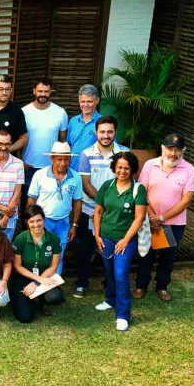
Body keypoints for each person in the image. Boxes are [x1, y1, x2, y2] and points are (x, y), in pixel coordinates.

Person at [135, 134, 194, 301]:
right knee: (145, 254)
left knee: (167, 257)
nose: (173, 154)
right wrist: (152, 216)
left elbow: (186, 201)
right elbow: (141, 192)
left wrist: (161, 218)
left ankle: (162, 287)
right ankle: (141, 286)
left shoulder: (189, 170)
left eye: (177, 150)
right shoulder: (150, 165)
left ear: (182, 151)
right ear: (163, 148)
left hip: (174, 223)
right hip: (149, 219)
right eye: (170, 149)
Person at [93, 152, 148, 331]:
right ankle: (111, 299)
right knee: (109, 270)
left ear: (132, 169)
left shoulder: (137, 189)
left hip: (126, 239)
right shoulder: (107, 186)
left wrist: (125, 240)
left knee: (121, 274)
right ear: (114, 168)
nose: (123, 171)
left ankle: (123, 314)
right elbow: (99, 212)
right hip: (105, 238)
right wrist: (97, 235)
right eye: (119, 167)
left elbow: (139, 218)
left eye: (126, 168)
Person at [75, 116, 127, 298]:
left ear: (115, 132)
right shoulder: (86, 154)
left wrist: (111, 207)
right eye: (102, 131)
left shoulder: (125, 154)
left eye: (110, 132)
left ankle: (109, 284)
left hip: (116, 214)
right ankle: (81, 283)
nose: (106, 135)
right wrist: (103, 204)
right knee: (85, 249)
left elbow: (127, 181)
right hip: (90, 211)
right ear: (96, 132)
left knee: (111, 250)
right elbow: (86, 184)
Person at [26, 142, 83, 275]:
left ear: (70, 159)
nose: (63, 163)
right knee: (39, 254)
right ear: (52, 159)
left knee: (58, 255)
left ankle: (53, 286)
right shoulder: (40, 175)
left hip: (63, 223)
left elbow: (77, 202)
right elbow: (31, 200)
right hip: (43, 222)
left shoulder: (76, 177)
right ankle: (38, 284)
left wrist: (74, 225)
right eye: (59, 159)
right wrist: (33, 221)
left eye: (66, 159)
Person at [10, 205, 65, 322]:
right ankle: (24, 299)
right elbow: (17, 266)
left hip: (44, 276)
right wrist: (36, 280)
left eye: (39, 220)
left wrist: (37, 282)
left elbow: (53, 266)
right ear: (27, 223)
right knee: (25, 317)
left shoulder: (54, 239)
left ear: (44, 220)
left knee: (55, 297)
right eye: (32, 222)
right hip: (23, 277)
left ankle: (43, 301)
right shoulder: (20, 239)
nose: (36, 225)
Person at [21, 77, 68, 202]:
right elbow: (19, 139)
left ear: (50, 92)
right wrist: (21, 162)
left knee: (49, 204)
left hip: (52, 168)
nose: (43, 94)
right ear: (34, 91)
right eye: (40, 91)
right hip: (28, 167)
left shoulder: (60, 112)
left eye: (46, 91)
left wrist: (60, 163)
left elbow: (63, 141)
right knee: (28, 206)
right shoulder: (24, 112)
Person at [68, 84, 102, 171]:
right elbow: (69, 144)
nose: (86, 105)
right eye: (82, 101)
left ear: (97, 100)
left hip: (93, 171)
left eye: (89, 101)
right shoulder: (73, 121)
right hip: (72, 170)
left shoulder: (103, 122)